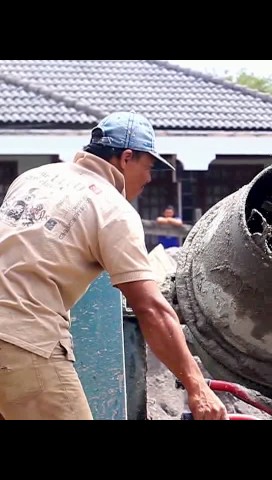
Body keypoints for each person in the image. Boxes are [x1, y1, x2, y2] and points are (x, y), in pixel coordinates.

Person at [0, 111, 228, 420]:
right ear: (127, 157)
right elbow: (151, 308)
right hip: (22, 339)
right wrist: (197, 387)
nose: (148, 179)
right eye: (147, 167)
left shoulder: (33, 178)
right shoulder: (112, 207)